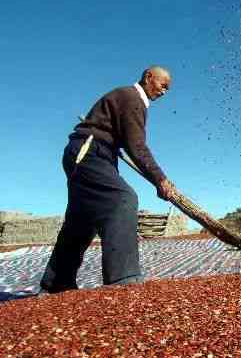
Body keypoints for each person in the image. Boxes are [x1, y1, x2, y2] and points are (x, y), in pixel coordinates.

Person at [40, 66, 177, 293]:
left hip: (93, 154)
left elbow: (130, 142)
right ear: (148, 77)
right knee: (122, 199)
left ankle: (57, 283)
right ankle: (124, 280)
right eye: (163, 85)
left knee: (83, 219)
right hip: (89, 151)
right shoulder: (133, 98)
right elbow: (137, 147)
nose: (164, 91)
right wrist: (160, 179)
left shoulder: (129, 99)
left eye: (168, 89)